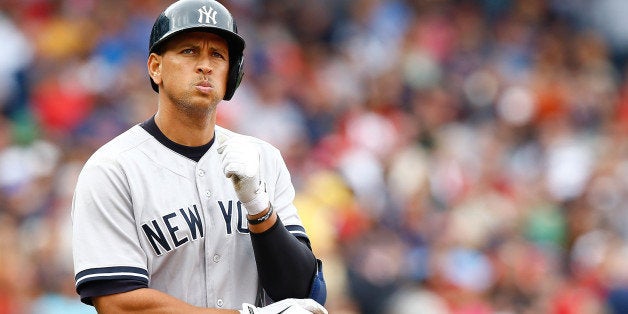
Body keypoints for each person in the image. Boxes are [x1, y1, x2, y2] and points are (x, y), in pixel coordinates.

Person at [71, 0, 327, 313]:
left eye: (217, 54)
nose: (205, 65)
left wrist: (259, 208)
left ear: (231, 74)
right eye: (189, 50)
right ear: (156, 66)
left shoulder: (263, 159)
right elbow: (120, 304)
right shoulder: (113, 169)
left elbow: (303, 291)